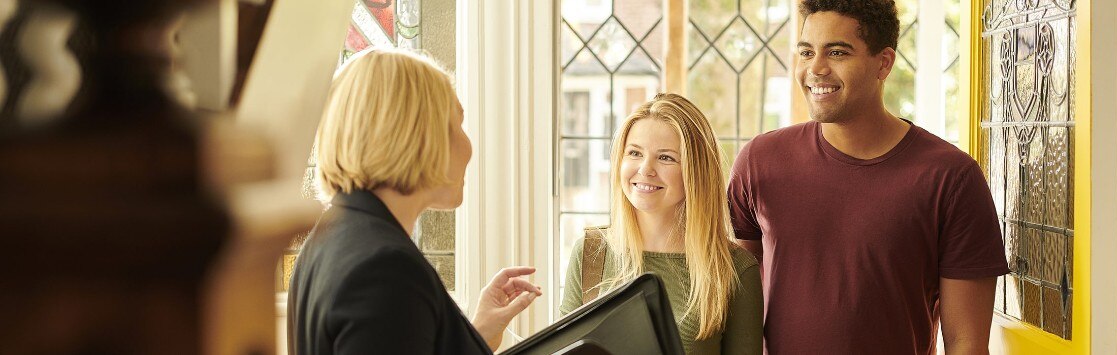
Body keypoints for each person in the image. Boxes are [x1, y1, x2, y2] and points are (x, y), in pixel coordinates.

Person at [727, 1, 1010, 354]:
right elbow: (731, 310)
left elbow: (966, 344)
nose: (815, 68)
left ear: (884, 63)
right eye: (806, 52)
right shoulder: (759, 162)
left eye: (837, 52)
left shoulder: (951, 179)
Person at [288, 48, 542, 355]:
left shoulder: (330, 237)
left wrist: (477, 334)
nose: (469, 147)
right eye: (458, 124)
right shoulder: (385, 270)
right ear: (421, 134)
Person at [560, 93, 763, 354]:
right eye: (634, 153)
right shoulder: (589, 252)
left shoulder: (736, 270)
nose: (645, 169)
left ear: (695, 171)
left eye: (665, 157)